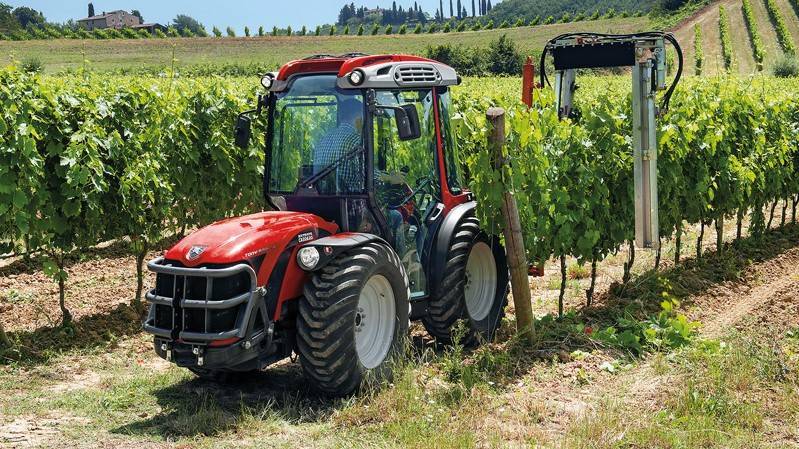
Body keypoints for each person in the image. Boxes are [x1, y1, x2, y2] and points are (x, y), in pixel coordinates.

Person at [313, 98, 364, 193]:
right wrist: (387, 177)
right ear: (360, 116)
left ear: (340, 117)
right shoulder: (357, 140)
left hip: (321, 200)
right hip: (350, 202)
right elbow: (366, 175)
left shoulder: (323, 139)